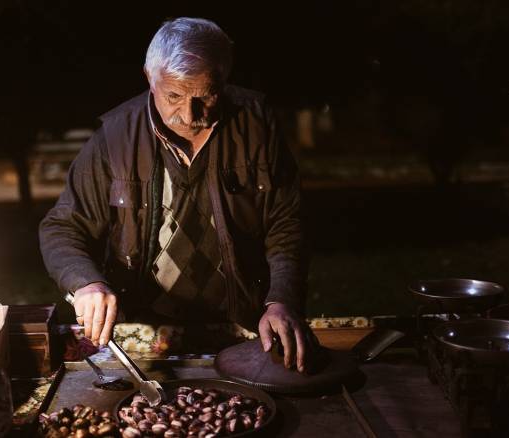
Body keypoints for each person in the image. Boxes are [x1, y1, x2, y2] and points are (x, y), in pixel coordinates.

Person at [40, 17, 311, 371]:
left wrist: (281, 300)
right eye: (173, 96)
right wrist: (86, 283)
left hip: (246, 324)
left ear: (224, 82)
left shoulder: (257, 124)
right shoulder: (116, 136)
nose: (188, 115)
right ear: (148, 79)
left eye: (206, 96)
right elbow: (62, 227)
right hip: (144, 330)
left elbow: (287, 223)